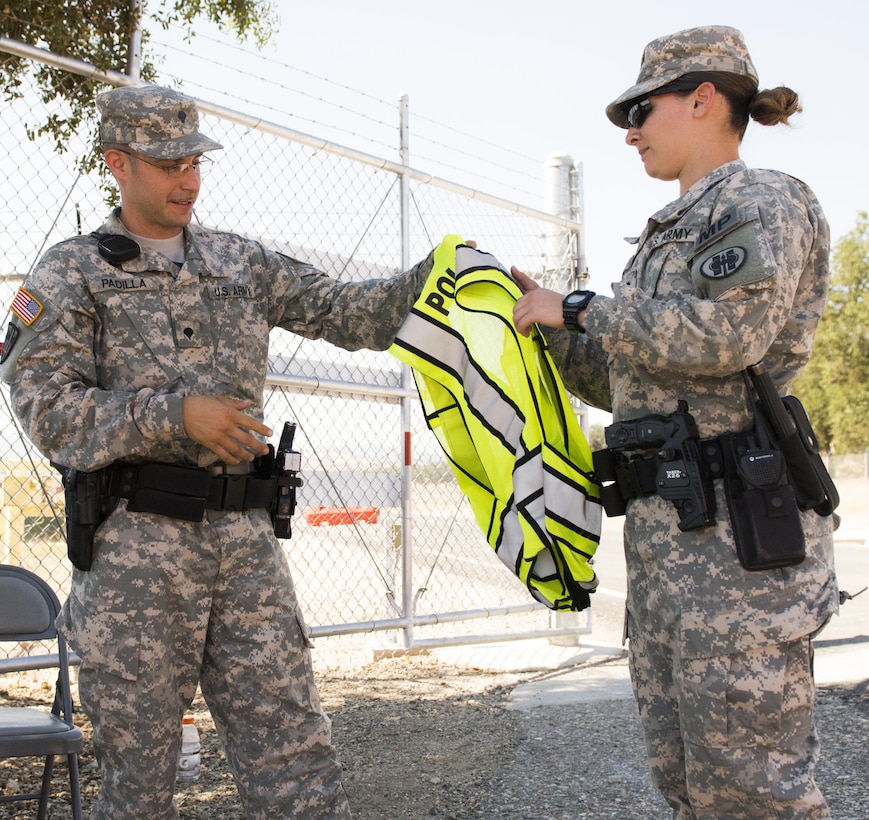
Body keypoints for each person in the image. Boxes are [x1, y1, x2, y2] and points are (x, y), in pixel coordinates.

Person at [0, 84, 438, 819]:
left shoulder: (241, 262)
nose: (188, 179)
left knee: (297, 763)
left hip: (245, 546)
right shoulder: (70, 272)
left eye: (195, 159)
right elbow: (47, 410)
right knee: (136, 786)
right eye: (167, 161)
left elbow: (349, 311)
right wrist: (176, 416)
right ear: (118, 162)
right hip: (136, 553)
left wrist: (448, 271)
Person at [512, 26, 838, 819]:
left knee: (754, 793)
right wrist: (542, 330)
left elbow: (729, 337)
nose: (629, 128)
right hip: (672, 555)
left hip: (737, 560)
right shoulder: (667, 231)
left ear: (701, 99)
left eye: (640, 107)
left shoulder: (757, 198)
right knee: (689, 788)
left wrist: (584, 308)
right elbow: (633, 379)